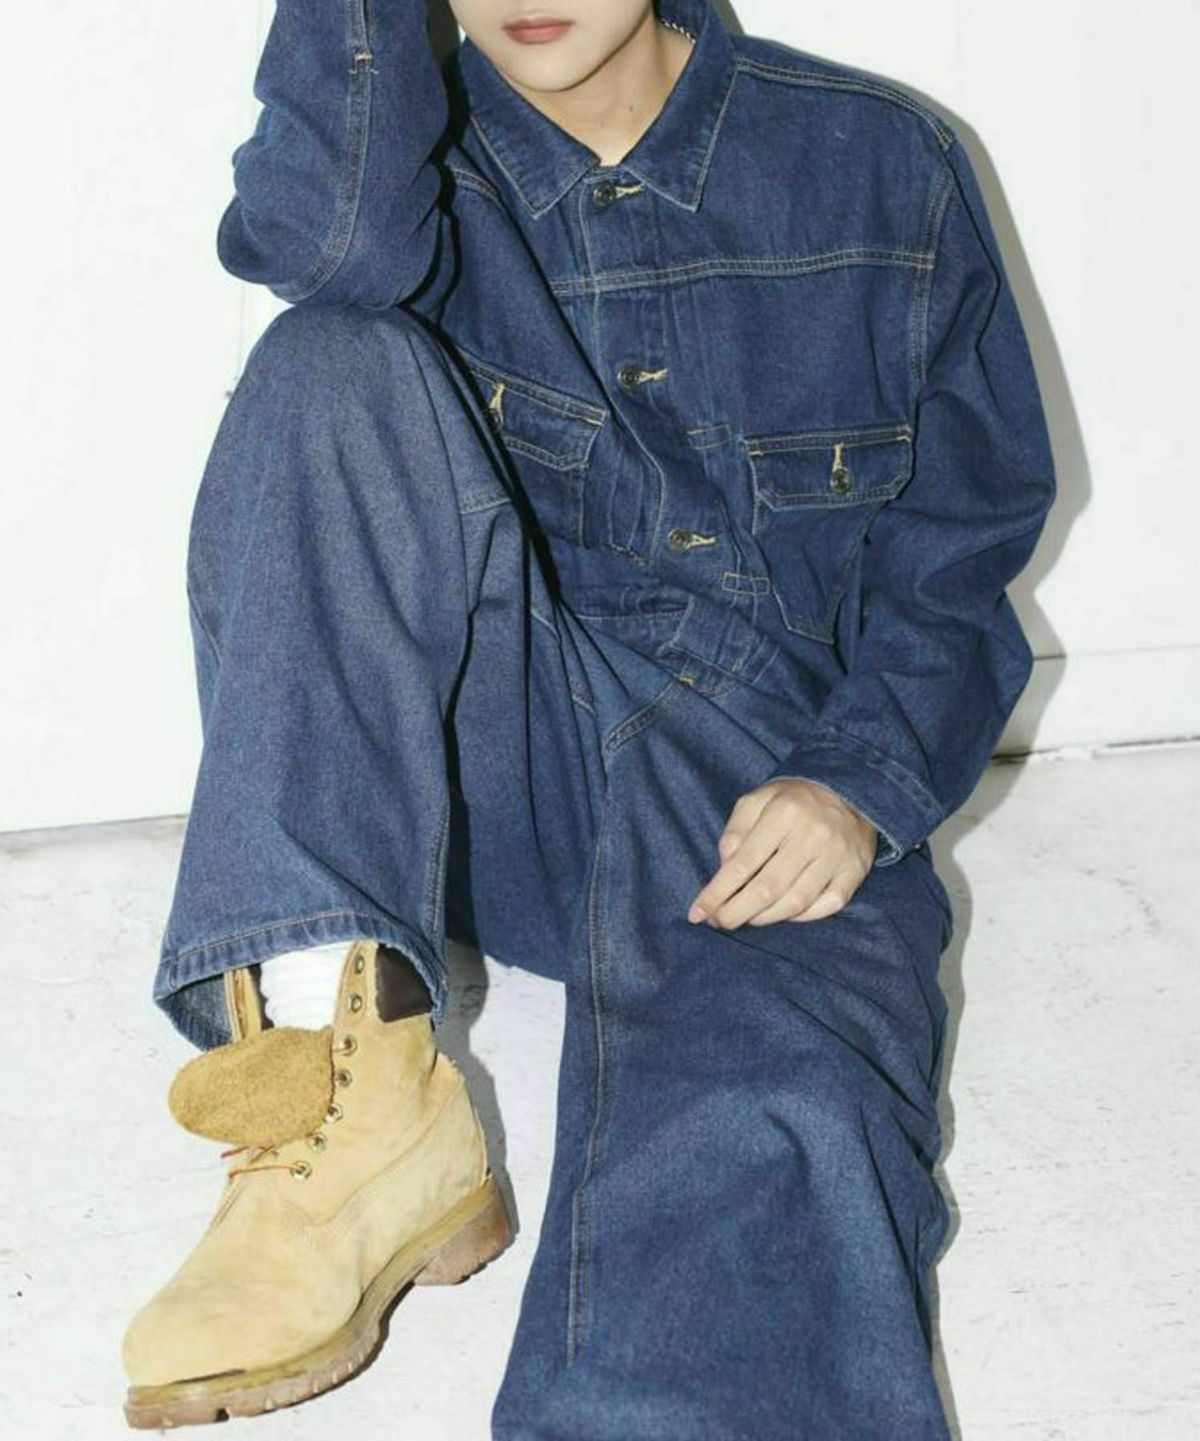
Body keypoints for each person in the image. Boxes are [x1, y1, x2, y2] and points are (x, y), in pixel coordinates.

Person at [119, 0, 1056, 1435]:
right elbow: (319, 252)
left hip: (758, 793)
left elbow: (957, 554)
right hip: (493, 783)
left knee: (786, 1120)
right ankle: (345, 1085)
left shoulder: (880, 163)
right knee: (327, 357)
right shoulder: (404, 172)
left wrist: (857, 784)